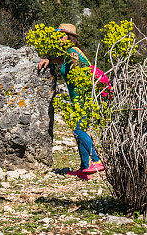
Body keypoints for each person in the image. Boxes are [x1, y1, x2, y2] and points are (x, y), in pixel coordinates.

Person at [36, 23, 104, 178]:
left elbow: (75, 68)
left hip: (83, 98)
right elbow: (62, 59)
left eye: (62, 35)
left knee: (79, 130)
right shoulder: (69, 52)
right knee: (78, 132)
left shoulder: (73, 52)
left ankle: (97, 160)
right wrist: (50, 59)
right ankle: (84, 168)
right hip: (78, 98)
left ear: (70, 37)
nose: (58, 38)